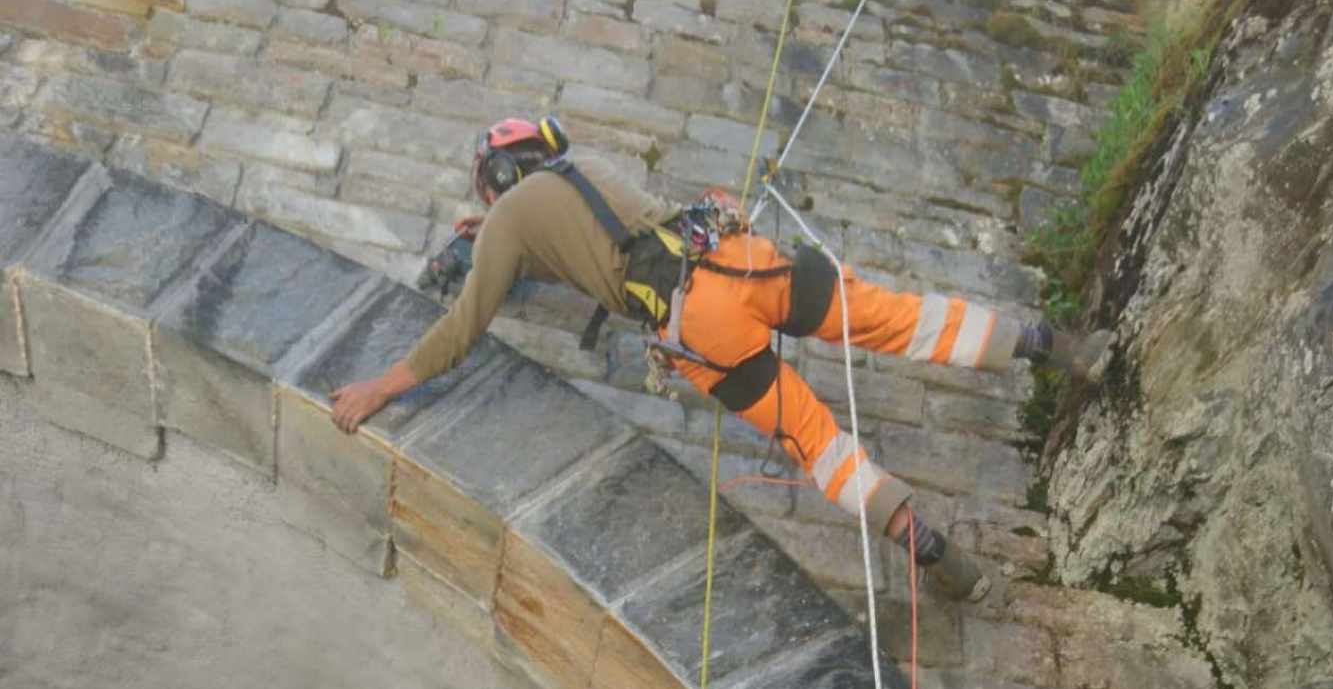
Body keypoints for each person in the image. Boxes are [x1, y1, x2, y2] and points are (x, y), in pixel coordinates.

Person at [330, 117, 1111, 601]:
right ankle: (1045, 344)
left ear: (494, 181)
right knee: (894, 317)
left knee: (814, 439)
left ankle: (931, 550)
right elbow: (589, 241)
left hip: (695, 326)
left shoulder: (505, 227)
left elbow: (463, 327)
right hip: (739, 261)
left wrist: (379, 386)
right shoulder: (587, 169)